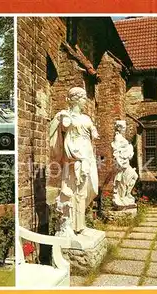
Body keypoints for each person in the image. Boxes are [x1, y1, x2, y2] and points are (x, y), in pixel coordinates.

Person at [49, 87, 100, 237]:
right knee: (74, 189)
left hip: (87, 153)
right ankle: (73, 225)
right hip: (74, 155)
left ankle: (80, 225)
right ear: (77, 99)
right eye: (84, 98)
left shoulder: (86, 118)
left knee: (90, 189)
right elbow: (58, 130)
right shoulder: (66, 115)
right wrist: (60, 120)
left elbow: (92, 130)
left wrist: (94, 132)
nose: (86, 101)